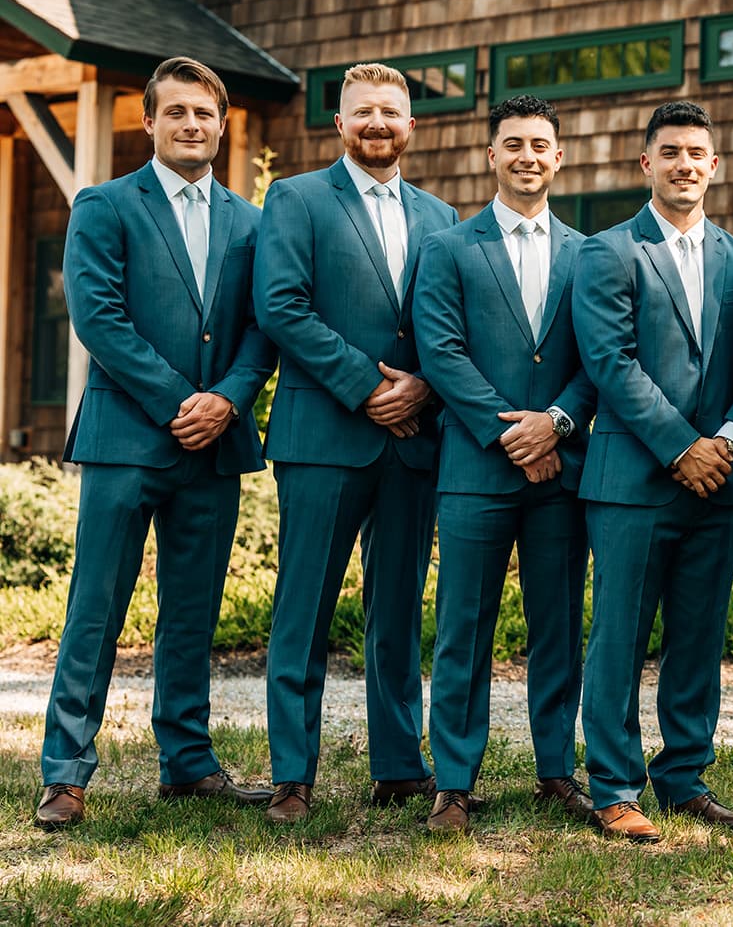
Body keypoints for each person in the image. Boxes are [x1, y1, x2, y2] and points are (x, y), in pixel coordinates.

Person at [36, 56, 277, 828]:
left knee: (191, 612)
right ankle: (65, 772)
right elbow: (99, 318)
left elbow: (262, 328)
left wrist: (230, 400)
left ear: (221, 124)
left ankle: (187, 761)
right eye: (176, 113)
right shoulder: (104, 205)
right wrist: (183, 401)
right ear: (150, 122)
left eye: (204, 115)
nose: (191, 126)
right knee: (96, 608)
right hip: (125, 438)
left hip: (215, 447)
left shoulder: (250, 221)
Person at [254, 62, 456, 823]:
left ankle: (399, 762)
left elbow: (451, 326)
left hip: (414, 441)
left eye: (392, 112)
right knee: (302, 607)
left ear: (413, 126)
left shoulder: (441, 217)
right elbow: (281, 306)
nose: (378, 123)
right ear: (339, 124)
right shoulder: (298, 198)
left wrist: (425, 388)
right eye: (363, 111)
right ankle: (292, 774)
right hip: (323, 434)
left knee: (398, 607)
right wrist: (368, 387)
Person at [572, 101, 733, 843]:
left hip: (722, 479)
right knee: (617, 635)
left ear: (715, 166)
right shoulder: (608, 252)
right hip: (632, 481)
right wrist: (682, 446)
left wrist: (732, 441)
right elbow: (610, 364)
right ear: (645, 163)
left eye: (698, 153)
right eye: (671, 151)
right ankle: (614, 786)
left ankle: (685, 775)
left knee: (698, 637)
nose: (686, 163)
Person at [411, 95, 597, 833]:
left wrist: (552, 425)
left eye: (540, 144)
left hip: (561, 471)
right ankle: (453, 781)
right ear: (491, 156)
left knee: (557, 624)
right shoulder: (449, 249)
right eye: (513, 143)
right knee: (464, 625)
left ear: (558, 157)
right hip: (475, 470)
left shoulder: (591, 254)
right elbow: (441, 353)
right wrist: (509, 433)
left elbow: (597, 359)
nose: (527, 155)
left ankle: (556, 768)